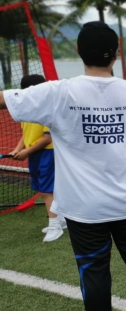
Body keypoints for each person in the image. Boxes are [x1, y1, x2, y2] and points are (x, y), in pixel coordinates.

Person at [0, 21, 126, 311]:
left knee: (93, 269)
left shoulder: (57, 92)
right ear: (116, 54)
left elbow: (4, 99)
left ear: (78, 51)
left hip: (83, 208)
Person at [9, 74, 66, 242]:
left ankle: (55, 226)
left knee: (47, 190)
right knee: (46, 189)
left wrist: (27, 152)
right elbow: (25, 133)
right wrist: (18, 149)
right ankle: (60, 220)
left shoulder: (48, 109)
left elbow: (48, 138)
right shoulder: (26, 109)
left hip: (48, 153)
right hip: (35, 154)